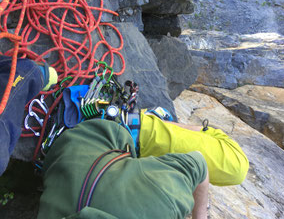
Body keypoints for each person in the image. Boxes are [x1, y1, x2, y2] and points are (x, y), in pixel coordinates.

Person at [0, 57, 249, 218]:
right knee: (236, 168)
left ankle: (152, 125)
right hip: (71, 152)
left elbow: (198, 165)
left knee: (236, 167)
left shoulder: (162, 204)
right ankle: (155, 127)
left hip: (100, 136)